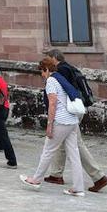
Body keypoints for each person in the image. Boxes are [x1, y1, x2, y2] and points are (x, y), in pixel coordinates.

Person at [38, 49, 107, 192]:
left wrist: (51, 121)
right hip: (72, 111)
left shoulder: (61, 71)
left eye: (48, 59)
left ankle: (98, 176)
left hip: (68, 113)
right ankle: (56, 174)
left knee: (76, 145)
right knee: (63, 144)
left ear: (53, 58)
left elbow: (59, 96)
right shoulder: (70, 68)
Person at [19, 56, 85, 196]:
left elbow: (53, 104)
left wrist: (49, 125)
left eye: (42, 72)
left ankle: (36, 179)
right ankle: (78, 187)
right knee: (74, 155)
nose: (42, 75)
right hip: (72, 121)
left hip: (61, 121)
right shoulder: (61, 78)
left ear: (47, 69)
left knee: (48, 150)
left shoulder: (51, 81)